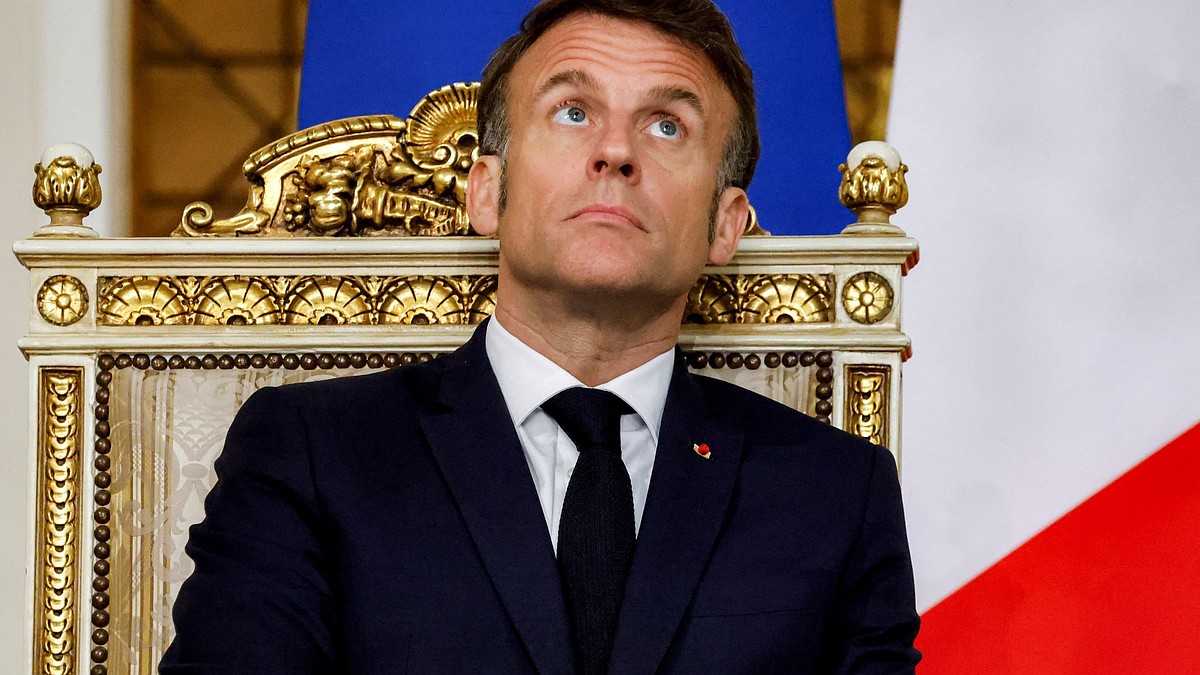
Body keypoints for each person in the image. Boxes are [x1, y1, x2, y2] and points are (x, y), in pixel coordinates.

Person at [160, 0, 921, 672]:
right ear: (487, 192)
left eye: (667, 125)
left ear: (726, 224)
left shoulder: (836, 493)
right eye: (573, 112)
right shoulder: (311, 452)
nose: (616, 152)